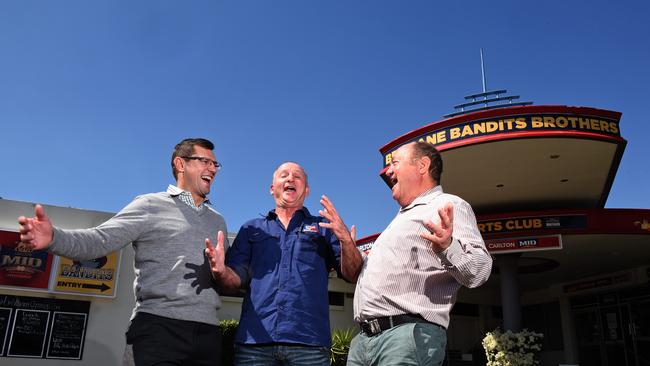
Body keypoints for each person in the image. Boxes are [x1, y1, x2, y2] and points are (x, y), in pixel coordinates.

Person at [18, 138, 229, 366]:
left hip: (208, 334)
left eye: (215, 164)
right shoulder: (150, 205)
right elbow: (99, 240)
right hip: (158, 329)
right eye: (205, 161)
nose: (212, 169)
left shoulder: (217, 221)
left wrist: (224, 272)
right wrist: (54, 238)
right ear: (181, 164)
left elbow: (228, 279)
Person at [327, 141, 493, 366]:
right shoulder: (397, 222)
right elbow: (356, 275)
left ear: (423, 165)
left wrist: (448, 246)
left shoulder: (447, 205)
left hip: (406, 336)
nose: (388, 171)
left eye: (395, 163)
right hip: (364, 341)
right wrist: (347, 242)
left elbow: (479, 272)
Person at [204, 161, 362, 366]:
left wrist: (346, 241)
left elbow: (353, 274)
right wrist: (220, 270)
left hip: (309, 344)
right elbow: (233, 281)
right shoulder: (251, 229)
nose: (290, 179)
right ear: (272, 188)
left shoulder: (324, 228)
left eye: (297, 176)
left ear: (306, 190)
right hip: (254, 344)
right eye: (284, 175)